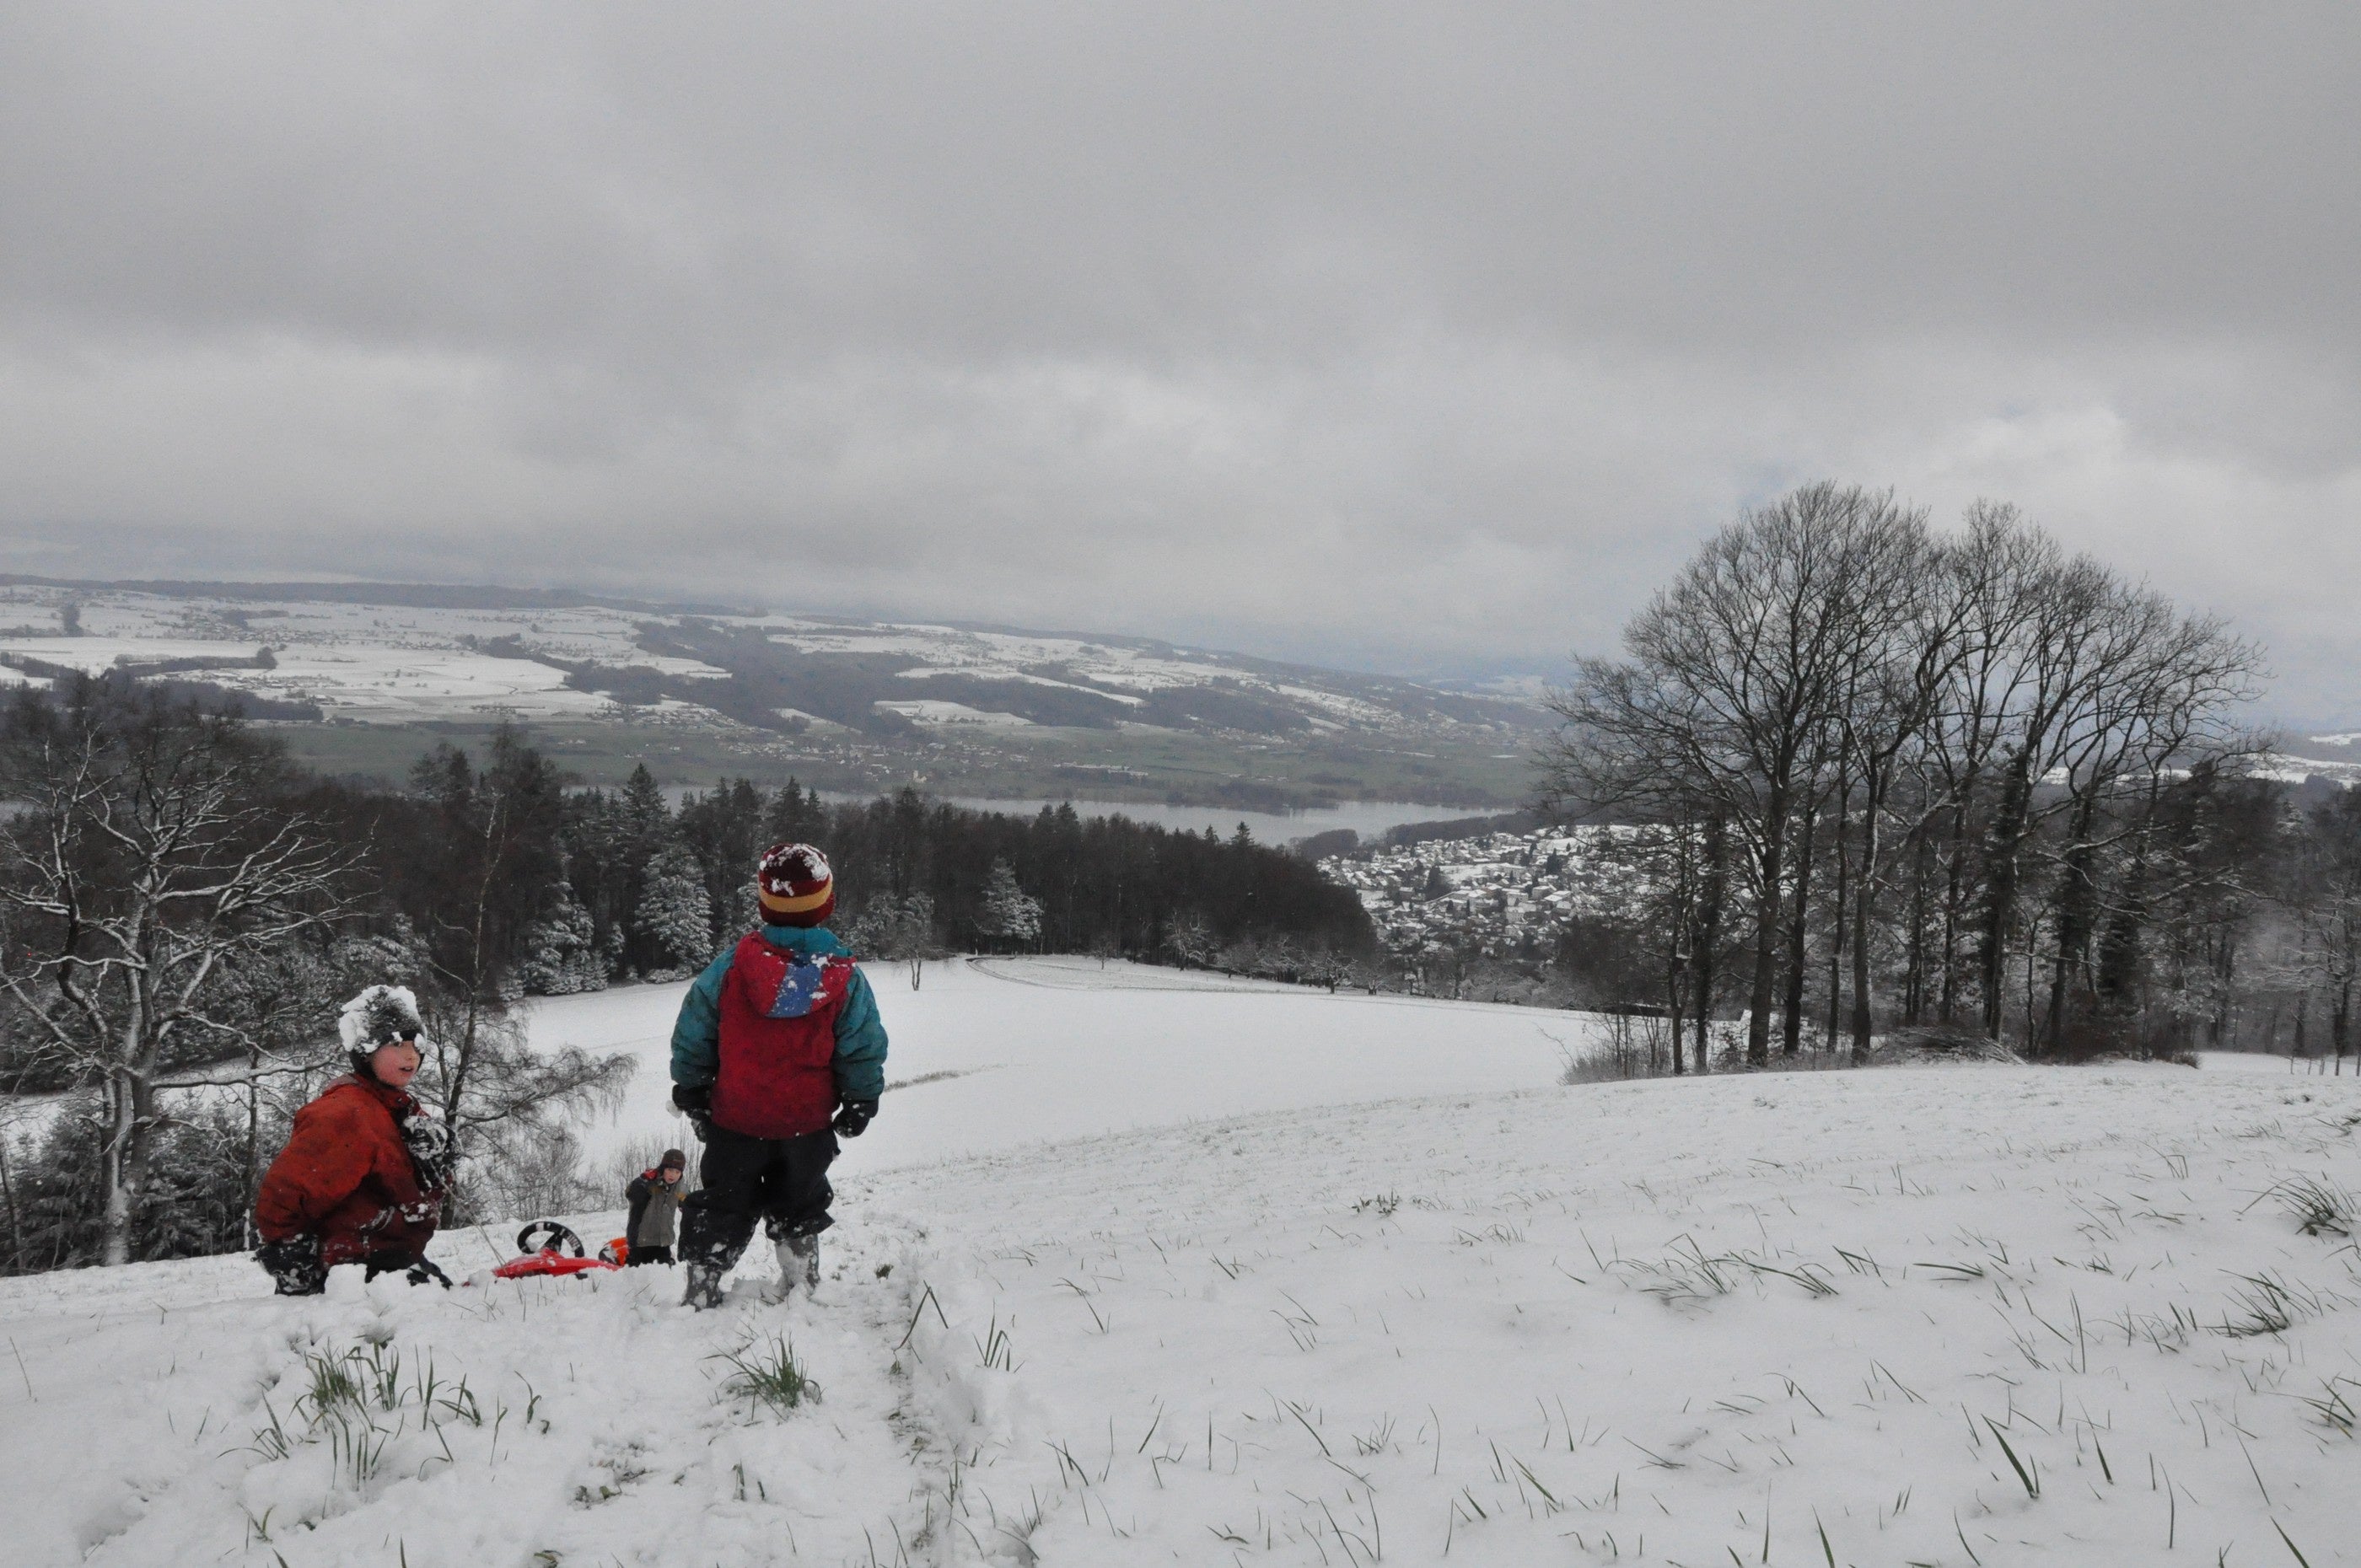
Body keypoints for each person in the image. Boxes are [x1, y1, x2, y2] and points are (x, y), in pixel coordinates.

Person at [670, 843, 887, 1309]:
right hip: (805, 1125)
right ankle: (802, 1287)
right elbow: (862, 1047)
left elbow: (695, 1032)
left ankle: (702, 1289)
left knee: (725, 1202)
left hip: (736, 1120)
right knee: (801, 1201)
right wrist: (861, 1100)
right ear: (826, 904)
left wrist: (691, 1090)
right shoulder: (844, 979)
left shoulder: (730, 969)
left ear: (765, 903)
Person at [254, 985, 451, 1295]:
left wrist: (434, 1161)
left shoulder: (397, 1107)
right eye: (397, 1043)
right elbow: (288, 1190)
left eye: (418, 1044)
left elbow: (403, 1190)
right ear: (366, 1050)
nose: (411, 1054)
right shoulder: (345, 1113)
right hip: (349, 1268)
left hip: (388, 1253)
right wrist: (290, 1256)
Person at [624, 1149, 688, 1266]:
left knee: (664, 1278)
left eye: (677, 1172)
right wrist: (641, 1184)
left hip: (663, 1242)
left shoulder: (678, 1188)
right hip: (640, 1241)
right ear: (662, 1168)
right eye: (670, 1170)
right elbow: (630, 1193)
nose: (673, 1175)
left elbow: (689, 1203)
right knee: (638, 1277)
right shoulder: (650, 1183)